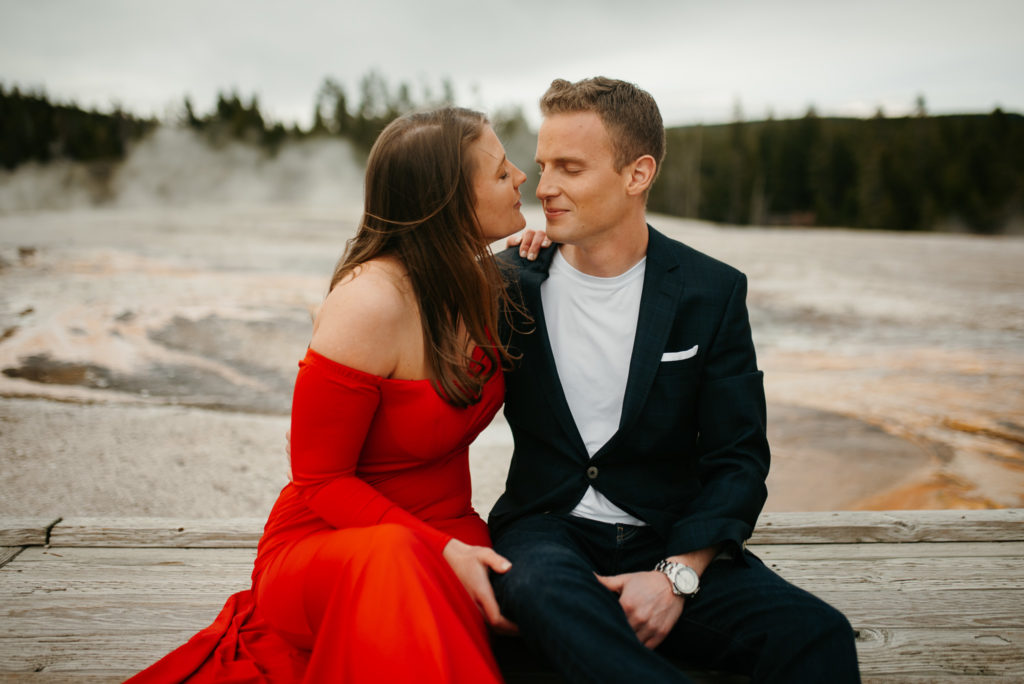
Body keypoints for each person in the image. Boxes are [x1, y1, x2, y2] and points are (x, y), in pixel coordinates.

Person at [127, 106, 533, 683]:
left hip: (449, 527)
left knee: (523, 602)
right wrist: (442, 553)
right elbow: (320, 479)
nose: (521, 177)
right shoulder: (369, 303)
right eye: (499, 173)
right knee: (397, 569)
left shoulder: (486, 280)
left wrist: (545, 242)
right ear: (448, 201)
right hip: (339, 542)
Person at [489, 77, 861, 683]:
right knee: (541, 594)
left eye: (571, 168)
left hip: (669, 534)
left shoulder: (710, 291)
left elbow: (738, 456)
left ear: (637, 175)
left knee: (815, 634)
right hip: (545, 532)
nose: (545, 187)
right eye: (543, 165)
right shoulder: (509, 281)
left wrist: (678, 574)